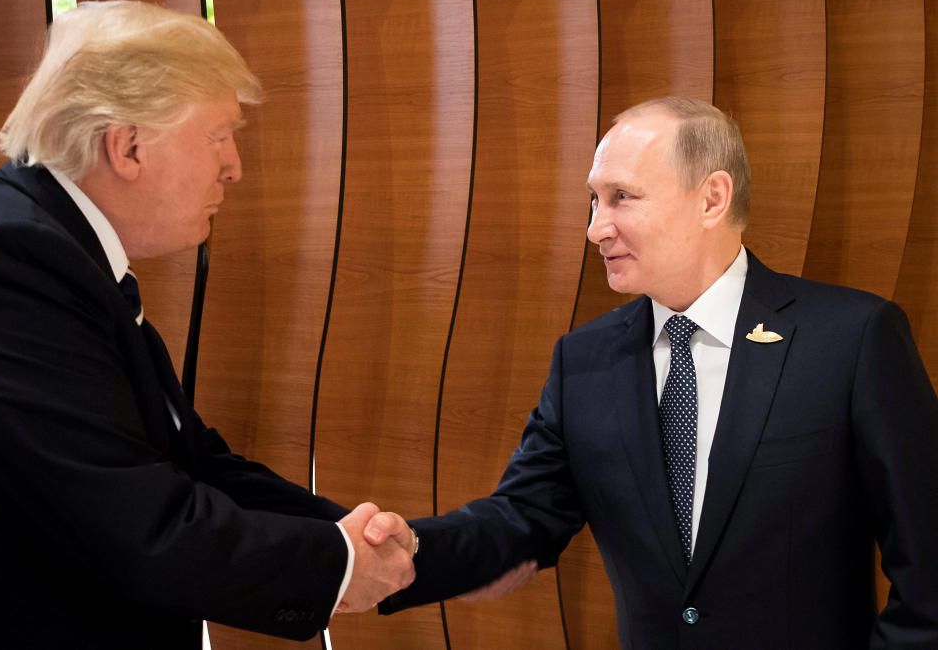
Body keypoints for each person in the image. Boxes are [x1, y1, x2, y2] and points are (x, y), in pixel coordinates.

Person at [376, 97, 938, 648]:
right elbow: (522, 519)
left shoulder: (852, 339)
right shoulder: (584, 360)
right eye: (594, 202)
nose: (597, 229)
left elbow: (927, 564)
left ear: (712, 198)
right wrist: (413, 551)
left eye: (622, 198)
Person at [0, 0, 414, 648]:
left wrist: (350, 538)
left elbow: (185, 459)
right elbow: (132, 523)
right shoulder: (4, 259)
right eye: (219, 134)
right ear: (128, 145)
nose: (234, 166)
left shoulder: (42, 242)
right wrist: (338, 567)